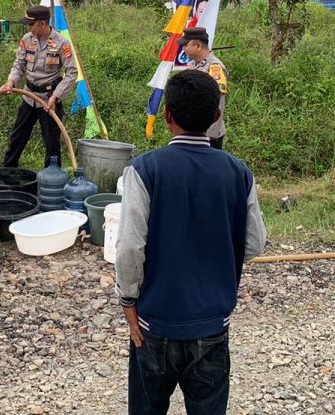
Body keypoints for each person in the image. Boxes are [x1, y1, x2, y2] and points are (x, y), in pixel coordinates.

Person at [116, 70, 266, 415]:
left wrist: (128, 300)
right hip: (212, 325)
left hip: (154, 325)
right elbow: (255, 244)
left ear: (167, 116)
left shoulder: (144, 169)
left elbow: (128, 248)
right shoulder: (238, 172)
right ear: (216, 116)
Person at [0, 5, 78, 168]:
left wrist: (56, 96)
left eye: (31, 24)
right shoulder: (27, 39)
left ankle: (51, 179)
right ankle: (7, 172)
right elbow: (19, 64)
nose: (29, 28)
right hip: (29, 97)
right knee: (17, 137)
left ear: (41, 24)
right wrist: (11, 81)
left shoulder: (62, 43)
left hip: (49, 101)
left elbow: (72, 73)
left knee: (52, 143)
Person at [181, 26, 228, 150]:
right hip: (191, 130)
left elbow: (218, 102)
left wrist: (209, 134)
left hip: (207, 136)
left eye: (186, 45)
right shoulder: (193, 65)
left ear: (198, 46)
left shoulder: (214, 68)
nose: (184, 48)